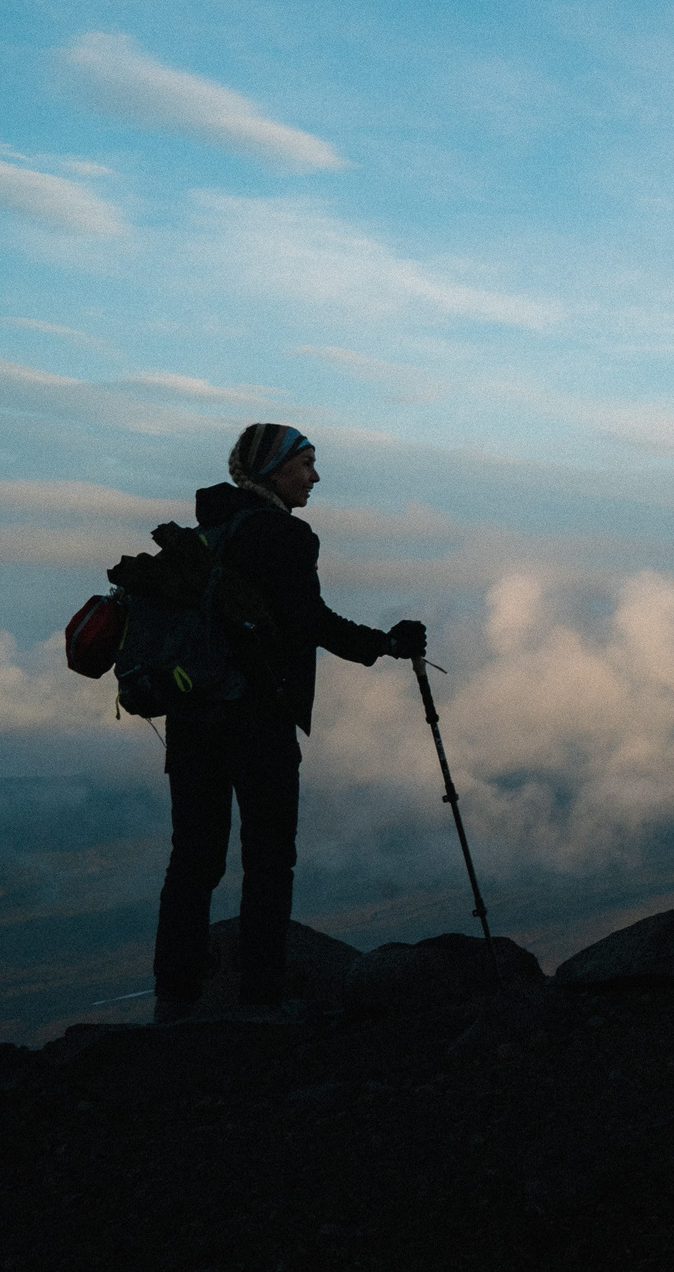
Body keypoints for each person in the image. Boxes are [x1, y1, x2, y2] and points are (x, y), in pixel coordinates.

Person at [155, 425, 426, 1022]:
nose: (314, 476)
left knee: (193, 858)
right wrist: (384, 643)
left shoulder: (206, 532)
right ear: (273, 470)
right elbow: (310, 621)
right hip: (257, 717)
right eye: (304, 463)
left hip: (192, 717)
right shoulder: (286, 534)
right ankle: (260, 998)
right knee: (269, 858)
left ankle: (173, 1000)